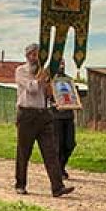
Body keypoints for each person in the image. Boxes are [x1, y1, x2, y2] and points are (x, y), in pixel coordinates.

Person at [12, 43, 73, 198]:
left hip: (43, 114)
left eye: (39, 55)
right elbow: (32, 88)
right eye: (33, 55)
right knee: (24, 151)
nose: (36, 58)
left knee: (51, 151)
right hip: (27, 114)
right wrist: (41, 76)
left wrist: (50, 81)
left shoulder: (45, 72)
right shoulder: (21, 71)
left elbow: (48, 93)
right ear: (27, 56)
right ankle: (20, 184)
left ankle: (57, 187)